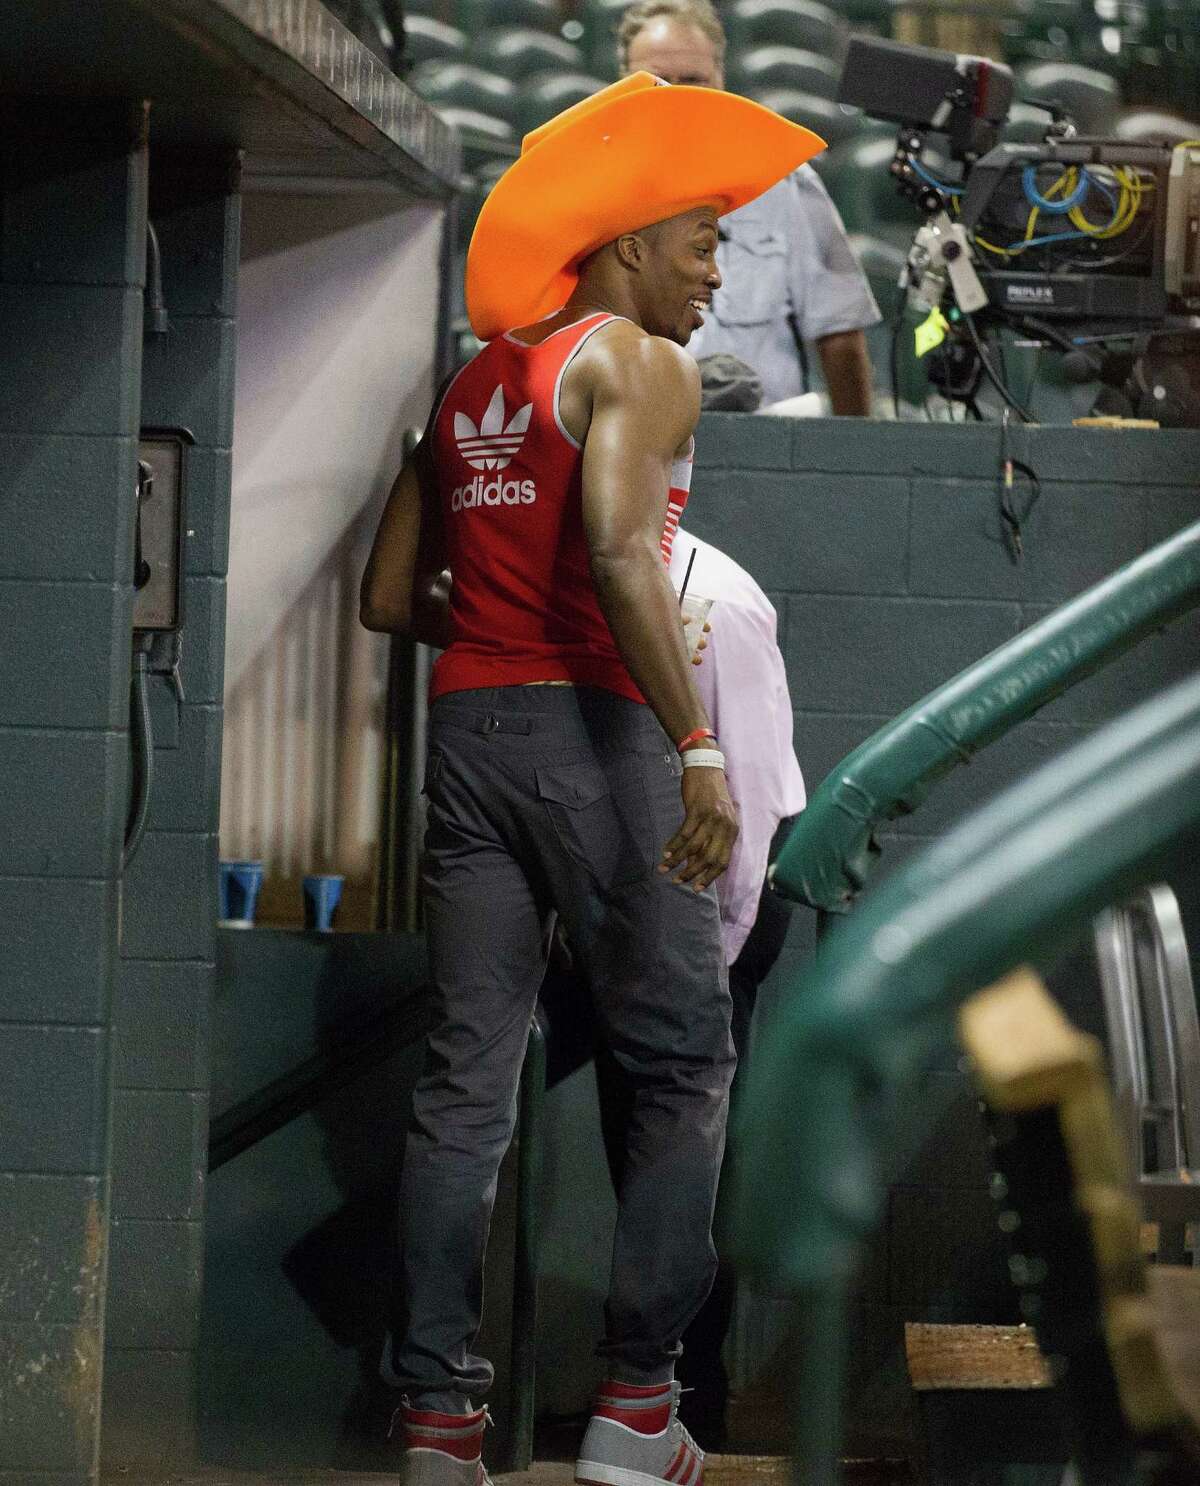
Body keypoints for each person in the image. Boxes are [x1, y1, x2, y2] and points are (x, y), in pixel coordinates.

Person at [359, 73, 824, 1486]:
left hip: (471, 738)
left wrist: (496, 631)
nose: (715, 274)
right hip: (602, 735)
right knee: (683, 1062)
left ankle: (438, 1421)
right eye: (701, 245)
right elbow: (626, 556)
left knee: (464, 1087)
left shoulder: (467, 380)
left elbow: (391, 598)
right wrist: (696, 748)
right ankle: (636, 1409)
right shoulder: (635, 360)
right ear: (627, 243)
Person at [541, 527, 806, 1447]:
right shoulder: (564, 576)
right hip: (628, 899)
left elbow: (761, 795)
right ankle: (650, 1397)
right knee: (646, 1153)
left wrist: (711, 963)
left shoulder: (718, 600)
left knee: (679, 1157)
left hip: (716, 902)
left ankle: (693, 1407)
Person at [619, 0, 881, 415]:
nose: (676, 95)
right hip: (639, 436)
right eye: (657, 81)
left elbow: (841, 338)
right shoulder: (599, 189)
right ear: (622, 84)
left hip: (766, 443)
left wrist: (855, 466)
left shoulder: (784, 184)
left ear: (721, 79)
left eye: (694, 80)